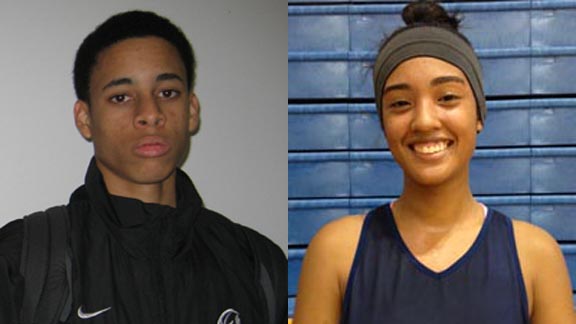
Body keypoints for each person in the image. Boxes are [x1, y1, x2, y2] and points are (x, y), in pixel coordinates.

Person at [293, 1, 575, 323]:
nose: (424, 121)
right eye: (400, 103)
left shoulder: (535, 255)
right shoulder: (336, 251)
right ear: (384, 124)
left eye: (447, 98)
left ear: (478, 114)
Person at [0, 10, 286, 324]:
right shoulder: (21, 260)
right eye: (121, 97)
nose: (150, 113)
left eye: (167, 93)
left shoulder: (258, 264)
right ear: (85, 119)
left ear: (191, 110)